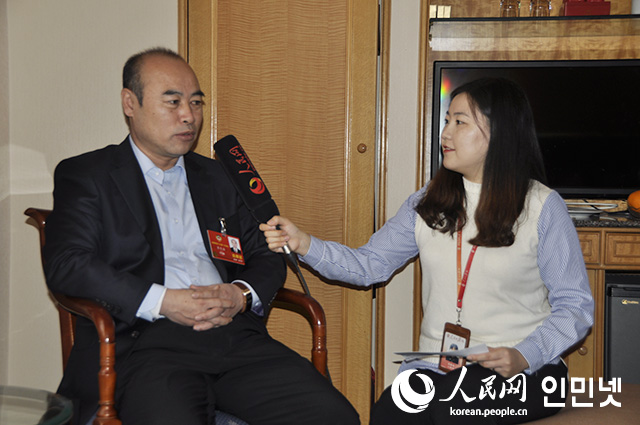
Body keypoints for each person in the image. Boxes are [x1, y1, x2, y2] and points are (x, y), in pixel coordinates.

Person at [43, 47, 359, 425]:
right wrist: (164, 301)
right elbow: (68, 264)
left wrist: (240, 294)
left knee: (334, 416)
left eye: (195, 102)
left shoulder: (219, 177)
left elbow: (265, 253)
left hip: (234, 336)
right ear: (130, 103)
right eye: (172, 102)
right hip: (146, 344)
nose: (188, 116)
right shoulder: (88, 174)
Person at [261, 78, 594, 424]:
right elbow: (370, 265)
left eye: (460, 122)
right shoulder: (428, 202)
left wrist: (525, 355)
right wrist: (304, 243)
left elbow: (575, 305)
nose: (445, 134)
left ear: (500, 132)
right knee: (389, 412)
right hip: (439, 368)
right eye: (447, 120)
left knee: (452, 410)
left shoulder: (541, 206)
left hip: (527, 372)